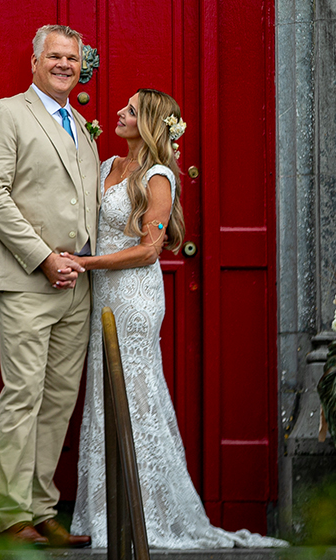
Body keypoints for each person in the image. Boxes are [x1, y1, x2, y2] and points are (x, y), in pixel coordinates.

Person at [65, 88, 285, 550]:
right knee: (105, 394)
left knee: (137, 396)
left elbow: (149, 249)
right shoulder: (107, 167)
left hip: (134, 297)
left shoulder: (158, 176)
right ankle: (104, 511)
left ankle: (151, 514)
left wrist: (84, 265)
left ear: (147, 123)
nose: (119, 114)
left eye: (129, 110)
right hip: (101, 295)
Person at [0, 25, 101, 547]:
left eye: (72, 58)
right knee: (23, 394)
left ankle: (45, 509)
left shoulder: (83, 129)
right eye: (55, 56)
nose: (65, 64)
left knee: (59, 398)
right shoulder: (6, 114)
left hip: (78, 285)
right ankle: (12, 516)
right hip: (26, 280)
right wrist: (44, 257)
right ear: (34, 61)